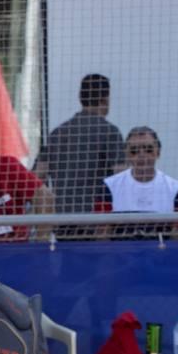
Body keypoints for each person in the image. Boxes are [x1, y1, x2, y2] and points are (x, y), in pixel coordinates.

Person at [32, 74, 125, 239]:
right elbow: (122, 176)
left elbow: (38, 175)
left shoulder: (58, 133)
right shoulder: (110, 132)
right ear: (105, 99)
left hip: (62, 221)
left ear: (80, 97)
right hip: (97, 222)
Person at [95, 127, 178, 241]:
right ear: (127, 154)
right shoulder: (109, 186)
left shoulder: (175, 188)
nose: (142, 155)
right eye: (134, 151)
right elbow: (102, 232)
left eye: (148, 150)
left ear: (158, 152)